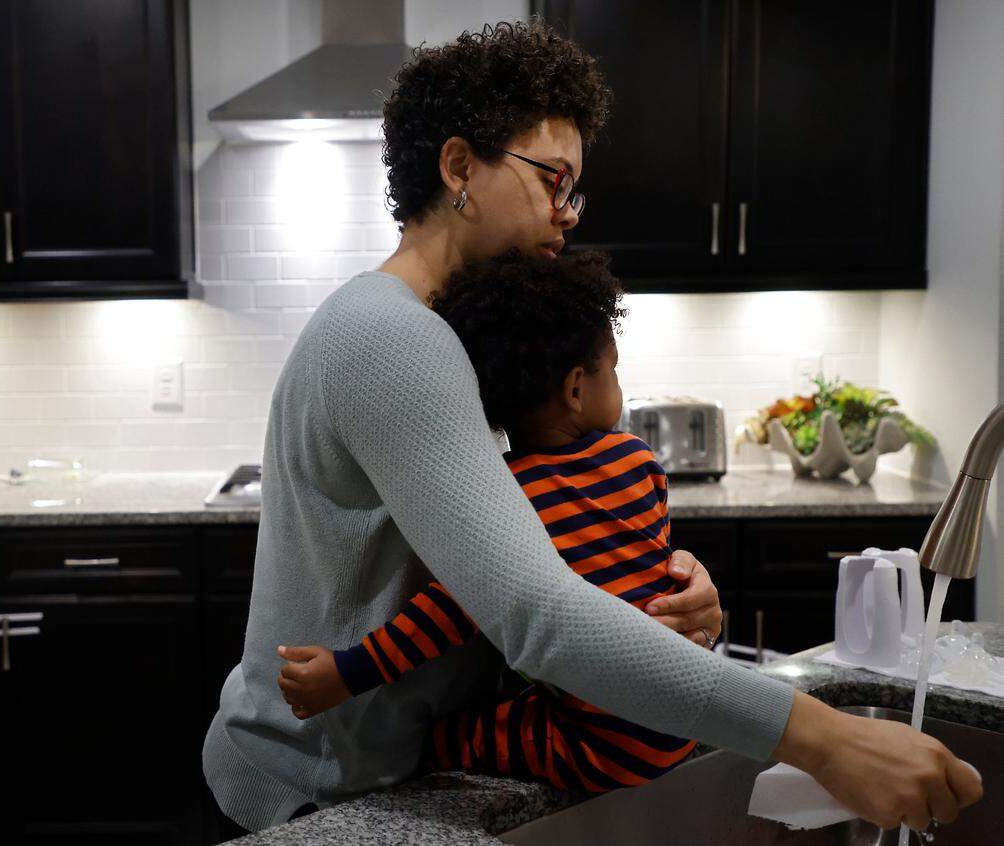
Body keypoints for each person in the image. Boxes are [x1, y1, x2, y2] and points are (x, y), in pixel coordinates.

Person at [203, 19, 982, 834]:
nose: (568, 212)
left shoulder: (459, 336)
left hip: (381, 769)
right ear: (460, 167)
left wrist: (671, 596)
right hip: (310, 787)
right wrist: (825, 741)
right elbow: (535, 614)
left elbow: (524, 565)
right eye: (553, 179)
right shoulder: (393, 339)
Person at [277, 249, 702, 793]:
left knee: (446, 740)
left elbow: (450, 609)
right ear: (575, 390)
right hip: (684, 712)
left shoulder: (505, 493)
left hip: (601, 747)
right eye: (613, 369)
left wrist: (349, 673)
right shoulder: (641, 464)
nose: (618, 385)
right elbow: (658, 573)